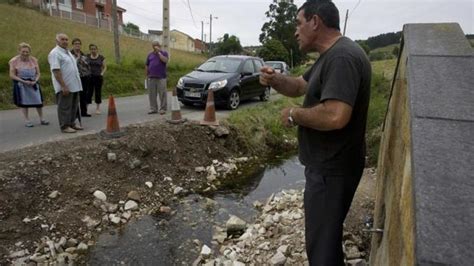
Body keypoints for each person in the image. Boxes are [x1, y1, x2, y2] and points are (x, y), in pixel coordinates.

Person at [260, 1, 371, 265]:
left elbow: (335, 115)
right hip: (330, 168)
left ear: (315, 21)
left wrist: (294, 114)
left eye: (299, 23)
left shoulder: (342, 57)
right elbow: (300, 85)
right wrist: (276, 79)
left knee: (321, 251)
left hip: (332, 169)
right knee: (326, 240)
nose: (296, 32)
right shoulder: (330, 56)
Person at [48, 33, 83, 133]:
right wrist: (63, 86)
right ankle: (64, 126)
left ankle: (72, 123)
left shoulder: (67, 52)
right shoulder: (55, 53)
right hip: (65, 85)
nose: (65, 41)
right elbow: (56, 71)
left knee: (73, 106)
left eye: (66, 39)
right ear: (57, 41)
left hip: (74, 85)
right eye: (62, 39)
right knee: (64, 106)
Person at [9, 42, 49, 128]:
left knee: (38, 101)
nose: (25, 53)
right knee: (24, 103)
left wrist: (35, 80)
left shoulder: (34, 60)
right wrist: (23, 81)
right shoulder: (14, 61)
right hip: (22, 84)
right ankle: (27, 120)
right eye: (23, 51)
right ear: (19, 51)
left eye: (27, 52)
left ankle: (42, 119)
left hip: (33, 83)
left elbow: (38, 73)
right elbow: (12, 75)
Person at [145, 41, 169, 115]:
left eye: (156, 45)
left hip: (161, 77)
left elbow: (165, 60)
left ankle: (163, 108)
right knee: (152, 94)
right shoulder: (150, 54)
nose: (155, 47)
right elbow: (147, 64)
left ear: (159, 46)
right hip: (151, 77)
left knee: (162, 93)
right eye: (154, 46)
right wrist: (146, 74)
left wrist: (159, 53)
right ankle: (153, 108)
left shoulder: (164, 53)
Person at [71, 38, 91, 117]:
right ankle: (75, 113)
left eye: (79, 43)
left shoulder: (83, 55)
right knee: (75, 95)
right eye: (76, 43)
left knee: (84, 95)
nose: (77, 45)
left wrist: (88, 74)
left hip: (84, 77)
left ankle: (84, 112)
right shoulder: (70, 54)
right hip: (74, 77)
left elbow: (87, 65)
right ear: (73, 45)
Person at [87, 44, 106, 114]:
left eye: (94, 49)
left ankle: (98, 108)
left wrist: (102, 73)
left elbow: (105, 67)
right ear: (90, 50)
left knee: (98, 93)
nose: (93, 50)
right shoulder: (87, 57)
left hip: (98, 77)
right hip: (89, 77)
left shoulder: (101, 57)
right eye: (91, 49)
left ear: (97, 49)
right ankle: (86, 108)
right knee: (89, 92)